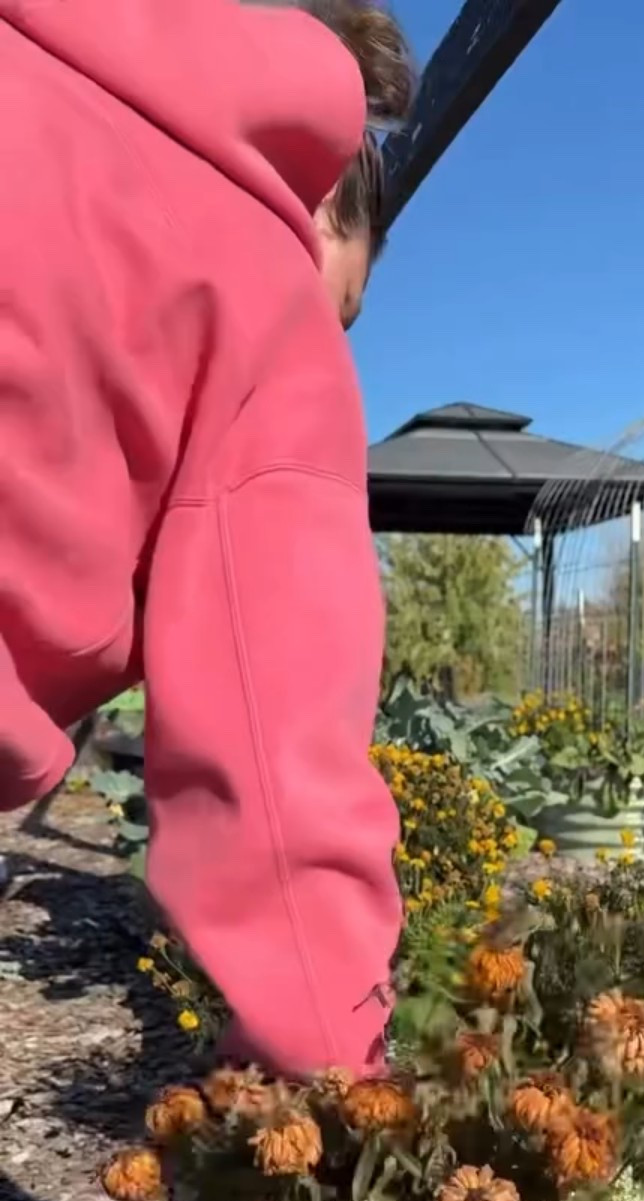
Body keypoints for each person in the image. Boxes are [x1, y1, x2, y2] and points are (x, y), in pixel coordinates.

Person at [0, 0, 415, 1078]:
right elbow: (278, 787)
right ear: (325, 195)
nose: (336, 336)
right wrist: (335, 1114)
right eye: (352, 304)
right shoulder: (261, 298)